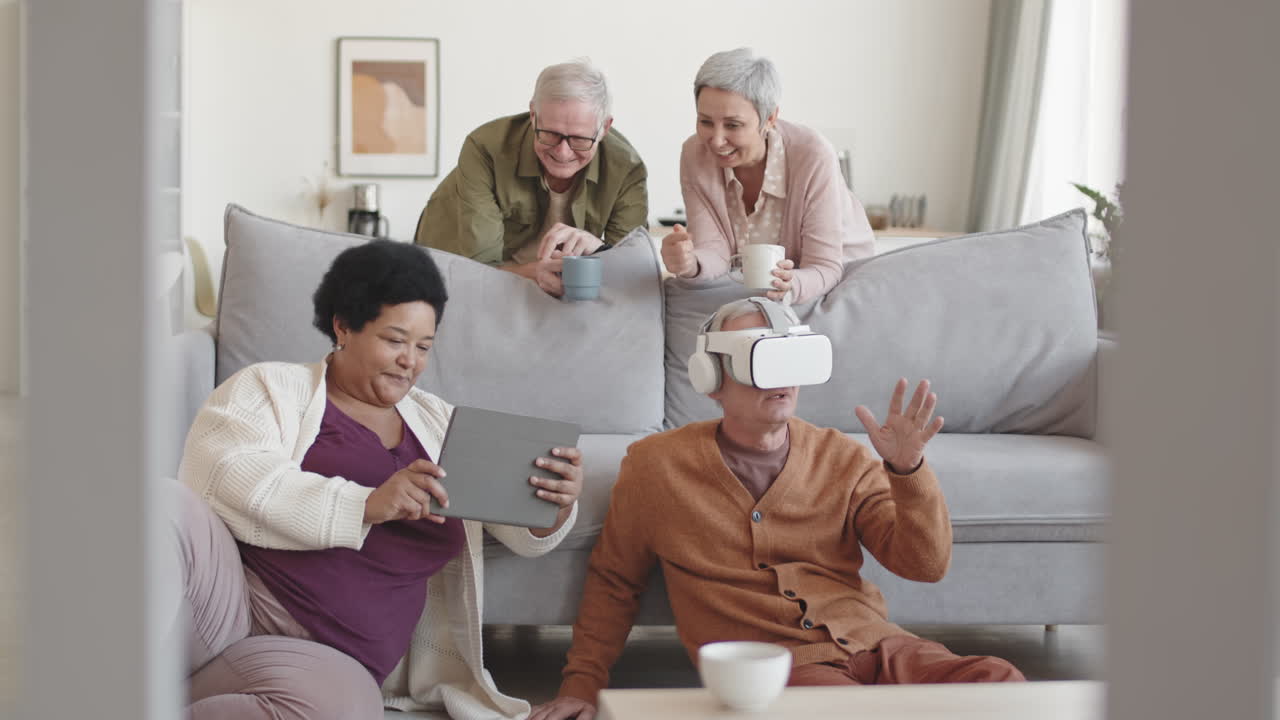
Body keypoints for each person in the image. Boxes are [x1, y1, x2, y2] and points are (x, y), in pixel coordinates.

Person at [530, 298, 1022, 720]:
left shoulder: (845, 458)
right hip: (777, 668)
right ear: (712, 378)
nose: (778, 376)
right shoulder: (656, 467)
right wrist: (581, 685)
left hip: (880, 644)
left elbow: (926, 565)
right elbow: (615, 581)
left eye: (787, 355)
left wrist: (908, 472)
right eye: (757, 359)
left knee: (1001, 683)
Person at [171, 240, 584, 720]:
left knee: (344, 712)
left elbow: (520, 533)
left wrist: (551, 505)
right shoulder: (270, 387)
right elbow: (226, 475)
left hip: (331, 659)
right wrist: (365, 503)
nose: (410, 360)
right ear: (343, 326)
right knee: (163, 505)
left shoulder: (439, 424)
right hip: (234, 605)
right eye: (394, 340)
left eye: (423, 346)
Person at [415, 59, 649, 298]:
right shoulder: (485, 149)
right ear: (533, 115)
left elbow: (631, 269)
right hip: (453, 272)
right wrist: (538, 273)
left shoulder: (626, 168)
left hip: (544, 287)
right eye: (550, 134)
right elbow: (481, 267)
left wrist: (599, 248)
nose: (562, 152)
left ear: (604, 128)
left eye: (579, 139)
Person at [661, 49, 876, 304]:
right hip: (768, 289)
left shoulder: (812, 154)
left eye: (733, 125)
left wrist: (792, 284)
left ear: (770, 118)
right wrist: (690, 262)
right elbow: (714, 249)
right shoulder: (695, 154)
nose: (716, 141)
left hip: (839, 282)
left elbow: (824, 266)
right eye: (705, 122)